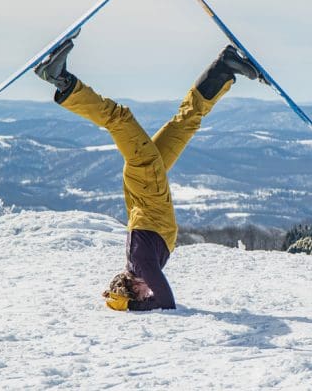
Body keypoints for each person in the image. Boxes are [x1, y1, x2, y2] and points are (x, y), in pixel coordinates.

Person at [33, 29, 263, 311]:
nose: (149, 293)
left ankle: (63, 82)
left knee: (120, 119)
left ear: (133, 286)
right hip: (144, 185)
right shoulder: (137, 263)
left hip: (147, 180)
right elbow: (158, 295)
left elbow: (167, 302)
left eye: (143, 294)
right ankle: (225, 67)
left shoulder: (140, 265)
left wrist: (133, 307)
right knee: (185, 123)